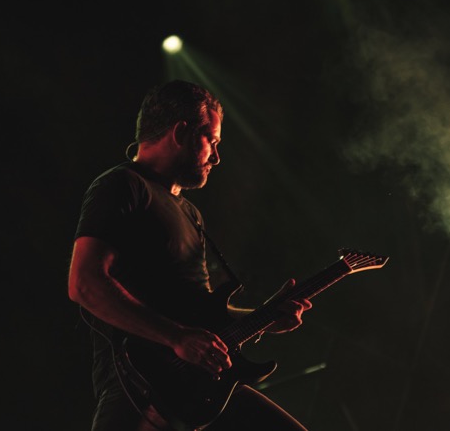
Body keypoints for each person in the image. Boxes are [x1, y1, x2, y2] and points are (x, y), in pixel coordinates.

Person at [68, 79, 312, 431]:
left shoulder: (190, 214)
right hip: (141, 387)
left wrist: (264, 318)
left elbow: (203, 314)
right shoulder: (122, 185)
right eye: (212, 141)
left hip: (201, 388)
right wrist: (176, 338)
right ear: (181, 132)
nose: (216, 157)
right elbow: (84, 283)